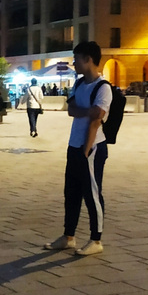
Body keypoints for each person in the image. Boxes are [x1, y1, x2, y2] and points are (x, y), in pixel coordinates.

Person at [44, 41, 112, 257]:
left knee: (92, 194)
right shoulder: (80, 84)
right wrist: (87, 111)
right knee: (71, 193)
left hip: (90, 148)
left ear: (88, 59)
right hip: (74, 146)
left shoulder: (104, 88)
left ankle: (96, 239)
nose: (74, 63)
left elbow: (97, 120)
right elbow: (71, 110)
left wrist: (86, 149)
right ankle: (68, 236)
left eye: (77, 59)